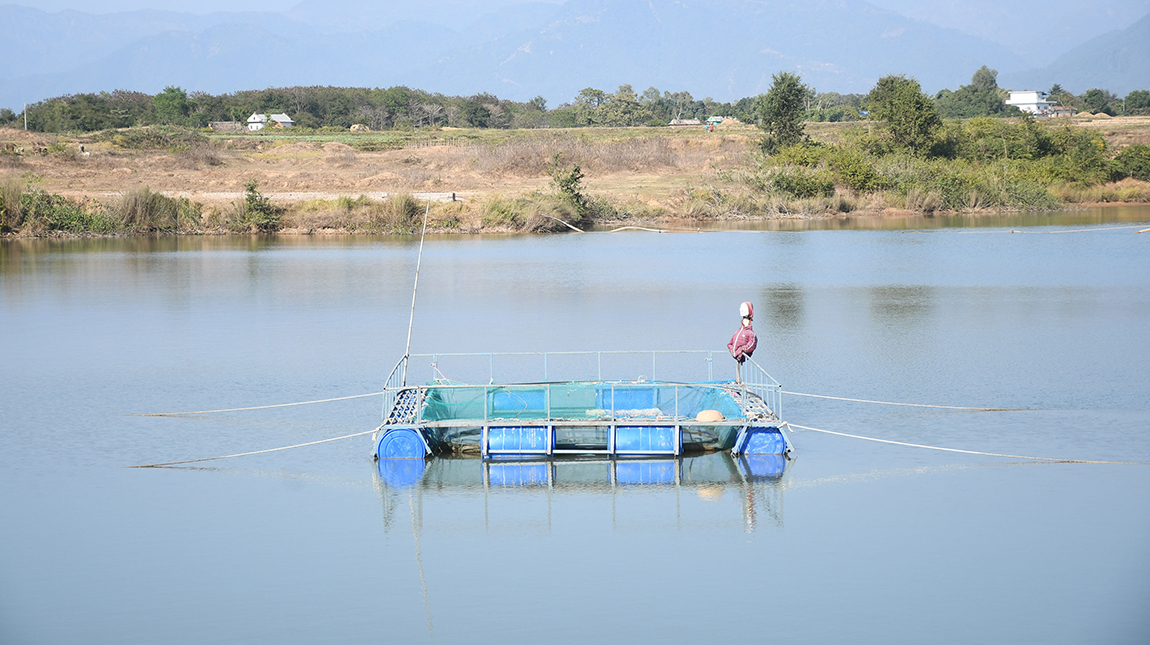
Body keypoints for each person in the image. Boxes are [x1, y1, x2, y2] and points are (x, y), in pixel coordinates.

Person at [727, 301, 757, 383]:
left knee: (738, 369)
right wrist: (733, 349)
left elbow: (751, 346)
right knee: (737, 369)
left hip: (741, 355)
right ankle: (738, 380)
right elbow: (729, 343)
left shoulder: (751, 334)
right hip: (736, 355)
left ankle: (739, 380)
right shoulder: (738, 332)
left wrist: (741, 350)